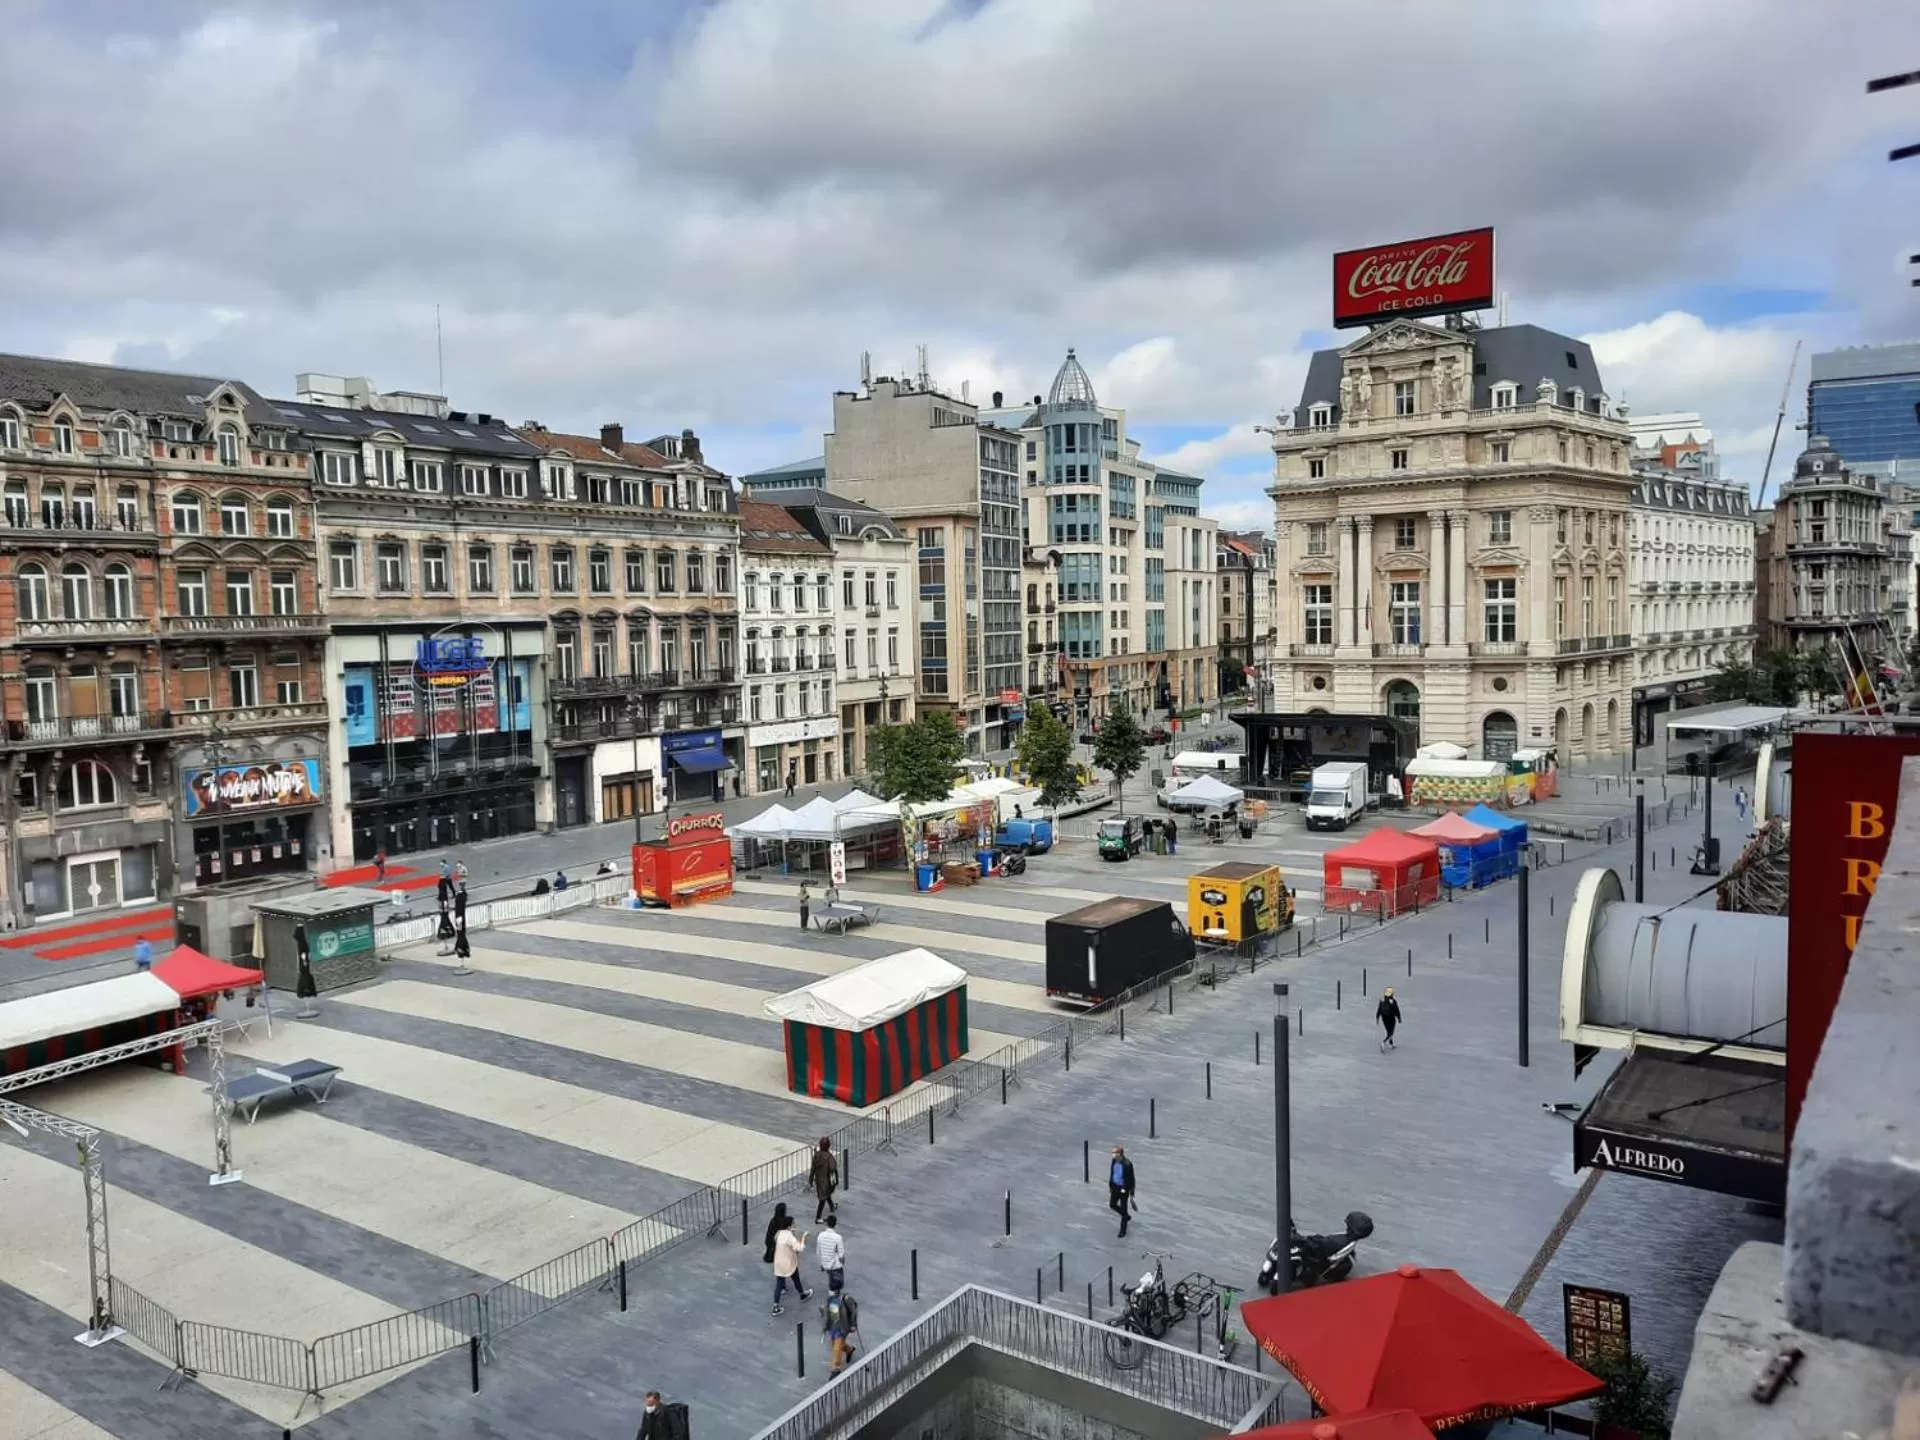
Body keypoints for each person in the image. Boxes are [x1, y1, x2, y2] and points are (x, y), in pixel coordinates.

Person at [771, 1216, 812, 1314]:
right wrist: (803, 1238)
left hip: (778, 1262)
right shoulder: (789, 1237)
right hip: (788, 1262)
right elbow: (799, 1248)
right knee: (796, 1278)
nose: (795, 1225)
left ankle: (775, 1306)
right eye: (793, 1223)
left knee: (779, 1284)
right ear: (789, 1226)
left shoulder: (779, 1233)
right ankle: (802, 1294)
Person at [822, 1282, 860, 1374]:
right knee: (836, 1345)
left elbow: (853, 1311)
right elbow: (827, 1314)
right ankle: (849, 1350)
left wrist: (853, 1325)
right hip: (833, 1327)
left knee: (837, 1348)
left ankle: (836, 1369)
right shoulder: (829, 1300)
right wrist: (826, 1326)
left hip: (842, 1327)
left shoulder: (845, 1299)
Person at [1108, 1145, 1137, 1237]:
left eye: (1114, 1153)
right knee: (1112, 1204)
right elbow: (1112, 1173)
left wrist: (1132, 1194)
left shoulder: (1127, 1164)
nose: (1112, 1154)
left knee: (1124, 1207)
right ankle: (1126, 1216)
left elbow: (1132, 1179)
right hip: (1115, 1187)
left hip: (1124, 1189)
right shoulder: (1113, 1161)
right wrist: (1110, 1185)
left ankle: (1123, 1230)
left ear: (1120, 1154)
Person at [809, 1137, 838, 1221]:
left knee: (825, 1194)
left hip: (818, 1180)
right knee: (823, 1198)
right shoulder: (829, 1157)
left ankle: (832, 1206)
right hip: (827, 1180)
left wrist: (810, 1179)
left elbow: (813, 1168)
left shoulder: (817, 1155)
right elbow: (833, 1167)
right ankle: (818, 1217)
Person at [816, 1212, 845, 1291]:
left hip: (825, 1264)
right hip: (835, 1265)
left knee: (831, 1281)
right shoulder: (838, 1237)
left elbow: (818, 1252)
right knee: (838, 1285)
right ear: (835, 1225)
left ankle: (831, 1294)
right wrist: (842, 1263)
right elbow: (841, 1255)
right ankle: (834, 1298)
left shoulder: (820, 1235)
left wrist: (821, 1264)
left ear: (826, 1224)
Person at [1376, 987, 1403, 1051]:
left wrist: (1377, 1017)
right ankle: (1383, 1042)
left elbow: (1379, 1009)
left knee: (1388, 1031)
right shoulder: (1393, 1001)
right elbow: (1396, 1010)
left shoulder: (1382, 1000)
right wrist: (1399, 1018)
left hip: (1384, 1018)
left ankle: (1391, 1044)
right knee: (1391, 1032)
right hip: (1391, 1018)